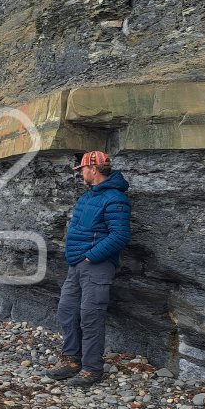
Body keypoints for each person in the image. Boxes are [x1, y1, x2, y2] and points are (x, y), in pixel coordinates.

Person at [46, 151, 131, 387]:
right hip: (77, 266)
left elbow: (121, 235)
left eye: (82, 169)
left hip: (97, 265)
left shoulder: (115, 199)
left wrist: (90, 257)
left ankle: (92, 368)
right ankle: (72, 359)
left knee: (91, 316)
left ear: (94, 169)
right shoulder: (87, 197)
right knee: (67, 310)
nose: (81, 173)